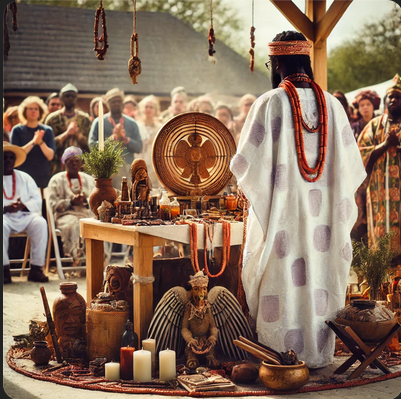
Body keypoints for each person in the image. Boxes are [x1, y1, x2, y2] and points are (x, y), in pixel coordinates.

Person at [230, 30, 366, 369]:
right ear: (304, 60)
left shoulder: (270, 103)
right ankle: (318, 355)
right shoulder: (333, 106)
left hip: (284, 220)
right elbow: (352, 168)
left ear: (277, 63)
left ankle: (280, 355)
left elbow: (245, 164)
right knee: (321, 276)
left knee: (283, 281)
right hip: (326, 222)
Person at [357, 73, 401, 265]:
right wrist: (384, 145)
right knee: (380, 248)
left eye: (398, 97)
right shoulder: (374, 127)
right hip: (378, 198)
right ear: (384, 101)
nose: (393, 100)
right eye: (390, 97)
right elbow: (360, 155)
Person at [3, 142, 49, 283]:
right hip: (4, 217)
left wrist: (23, 206)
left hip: (24, 215)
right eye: (5, 157)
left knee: (40, 223)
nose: (9, 160)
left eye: (11, 157)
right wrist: (6, 208)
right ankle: (4, 271)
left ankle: (36, 269)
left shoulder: (25, 177)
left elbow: (36, 199)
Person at [47, 146, 95, 265]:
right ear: (64, 163)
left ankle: (95, 259)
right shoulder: (56, 180)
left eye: (77, 161)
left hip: (86, 213)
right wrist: (71, 202)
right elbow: (51, 204)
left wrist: (85, 200)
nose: (74, 163)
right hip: (65, 216)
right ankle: (77, 257)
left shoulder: (89, 180)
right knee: (75, 224)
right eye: (70, 161)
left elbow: (96, 201)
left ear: (81, 163)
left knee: (96, 225)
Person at [88, 88, 143, 189]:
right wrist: (111, 140)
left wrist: (125, 139)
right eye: (113, 102)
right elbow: (92, 146)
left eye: (119, 101)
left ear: (123, 103)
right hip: (105, 171)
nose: (116, 104)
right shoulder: (99, 122)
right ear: (107, 104)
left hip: (127, 168)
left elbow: (139, 147)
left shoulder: (131, 123)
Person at [44, 83, 91, 175]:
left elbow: (90, 146)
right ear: (61, 98)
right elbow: (47, 144)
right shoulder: (52, 119)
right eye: (67, 96)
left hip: (80, 166)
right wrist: (67, 134)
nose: (70, 98)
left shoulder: (84, 119)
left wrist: (78, 135)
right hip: (58, 165)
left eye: (73, 96)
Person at [10, 96, 56, 190]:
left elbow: (50, 156)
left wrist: (41, 142)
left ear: (40, 112)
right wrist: (33, 142)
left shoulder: (47, 130)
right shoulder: (17, 130)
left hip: (43, 178)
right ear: (24, 111)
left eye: (36, 109)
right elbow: (16, 155)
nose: (33, 111)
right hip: (23, 177)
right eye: (30, 109)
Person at [137, 95, 162, 188]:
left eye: (151, 107)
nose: (148, 109)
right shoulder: (138, 127)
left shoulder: (160, 127)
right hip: (141, 162)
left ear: (155, 110)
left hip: (154, 163)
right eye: (146, 107)